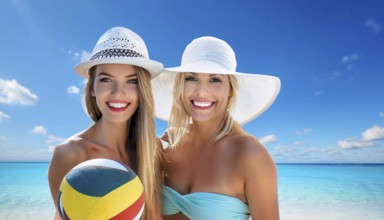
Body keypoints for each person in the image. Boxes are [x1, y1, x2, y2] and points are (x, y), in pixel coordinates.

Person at [152, 36, 281, 219]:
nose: (202, 91)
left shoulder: (251, 154)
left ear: (230, 89)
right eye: (191, 78)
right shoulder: (167, 143)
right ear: (181, 85)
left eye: (215, 80)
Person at [48, 27, 163, 220]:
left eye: (131, 81)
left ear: (142, 90)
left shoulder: (155, 149)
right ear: (92, 88)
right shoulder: (69, 154)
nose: (118, 92)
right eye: (106, 79)